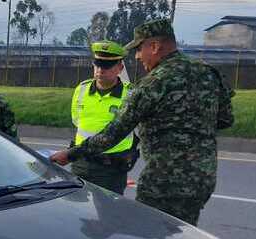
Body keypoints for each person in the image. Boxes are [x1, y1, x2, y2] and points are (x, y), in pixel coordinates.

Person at [50, 19, 234, 226]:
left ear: (155, 47)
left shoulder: (153, 83)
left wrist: (71, 154)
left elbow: (113, 133)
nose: (137, 56)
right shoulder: (209, 73)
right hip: (203, 177)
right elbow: (226, 119)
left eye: (139, 48)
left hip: (163, 181)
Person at [68, 40, 139, 195]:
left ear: (120, 67)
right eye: (98, 64)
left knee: (108, 215)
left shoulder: (131, 94)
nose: (100, 70)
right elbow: (76, 120)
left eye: (107, 66)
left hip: (111, 169)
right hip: (80, 163)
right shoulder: (81, 89)